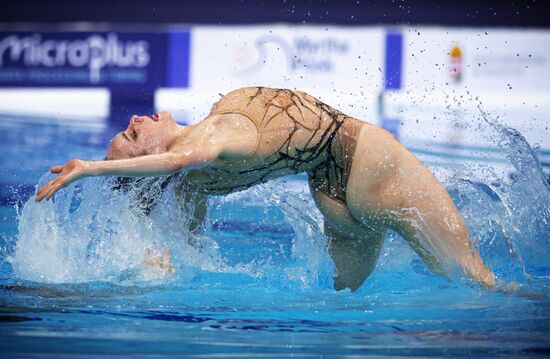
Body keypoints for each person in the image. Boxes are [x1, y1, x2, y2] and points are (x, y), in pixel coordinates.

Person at [35, 86, 495, 290]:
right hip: (365, 158)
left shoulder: (198, 184)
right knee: (476, 277)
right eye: (133, 136)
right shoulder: (207, 139)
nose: (134, 120)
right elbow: (177, 160)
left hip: (329, 193)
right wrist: (91, 168)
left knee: (349, 301)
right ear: (149, 164)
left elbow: (190, 249)